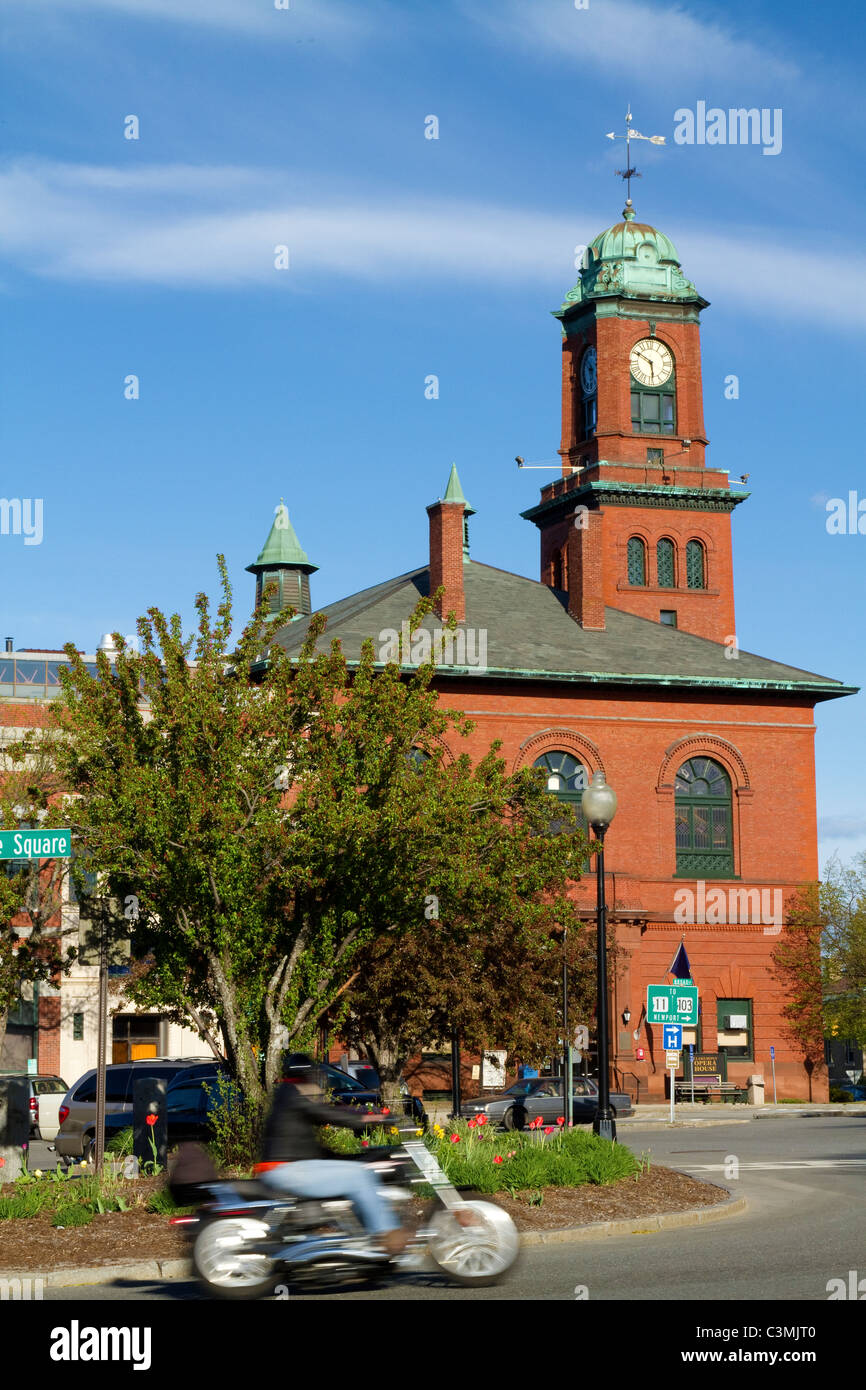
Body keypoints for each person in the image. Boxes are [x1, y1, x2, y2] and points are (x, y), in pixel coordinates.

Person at [255, 1064, 407, 1256]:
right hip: (288, 1171)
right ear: (305, 1078)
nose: (319, 1088)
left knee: (355, 1168)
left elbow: (319, 1126)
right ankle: (387, 1235)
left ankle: (366, 1237)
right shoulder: (292, 1095)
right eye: (315, 1080)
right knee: (360, 1175)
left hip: (288, 1169)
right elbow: (326, 1114)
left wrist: (359, 1115)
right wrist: (367, 1119)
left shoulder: (286, 1099)